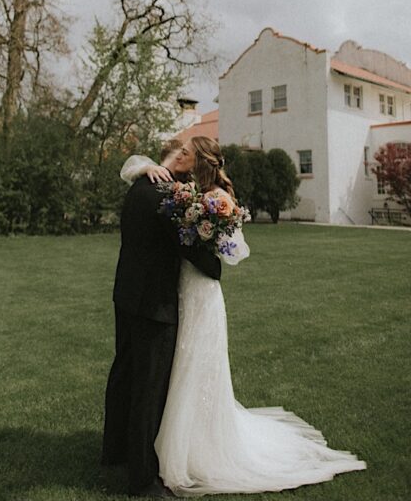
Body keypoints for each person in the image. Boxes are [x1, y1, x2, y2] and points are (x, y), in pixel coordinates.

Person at [123, 136, 366, 495]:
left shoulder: (218, 197)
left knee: (197, 368)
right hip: (178, 290)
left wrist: (208, 236)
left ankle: (197, 450)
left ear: (200, 161)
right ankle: (169, 444)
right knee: (177, 371)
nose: (179, 156)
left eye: (186, 153)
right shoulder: (184, 189)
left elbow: (234, 250)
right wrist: (147, 168)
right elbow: (136, 174)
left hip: (200, 290)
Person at [102, 139, 223, 496]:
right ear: (181, 158)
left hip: (126, 294)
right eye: (191, 164)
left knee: (124, 372)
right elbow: (188, 247)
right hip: (155, 305)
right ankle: (142, 479)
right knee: (148, 388)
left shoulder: (141, 184)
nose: (192, 174)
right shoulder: (167, 197)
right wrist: (215, 264)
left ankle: (114, 451)